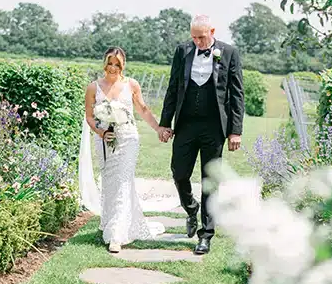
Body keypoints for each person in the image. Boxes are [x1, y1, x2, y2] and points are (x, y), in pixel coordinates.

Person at [159, 14, 245, 255]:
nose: (197, 41)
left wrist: (235, 131)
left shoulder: (229, 53)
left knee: (210, 180)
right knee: (179, 172)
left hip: (214, 127)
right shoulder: (182, 51)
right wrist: (165, 123)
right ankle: (190, 208)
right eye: (194, 37)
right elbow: (173, 87)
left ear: (212, 31)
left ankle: (205, 235)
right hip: (186, 124)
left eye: (202, 37)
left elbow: (237, 94)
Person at [78, 47, 170, 253]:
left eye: (117, 64)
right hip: (105, 141)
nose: (113, 68)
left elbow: (143, 110)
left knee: (122, 181)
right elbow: (90, 117)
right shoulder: (93, 87)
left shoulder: (131, 85)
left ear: (122, 65)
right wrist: (101, 132)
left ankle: (116, 235)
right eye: (110, 63)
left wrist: (158, 128)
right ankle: (110, 221)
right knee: (110, 183)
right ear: (104, 63)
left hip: (128, 139)